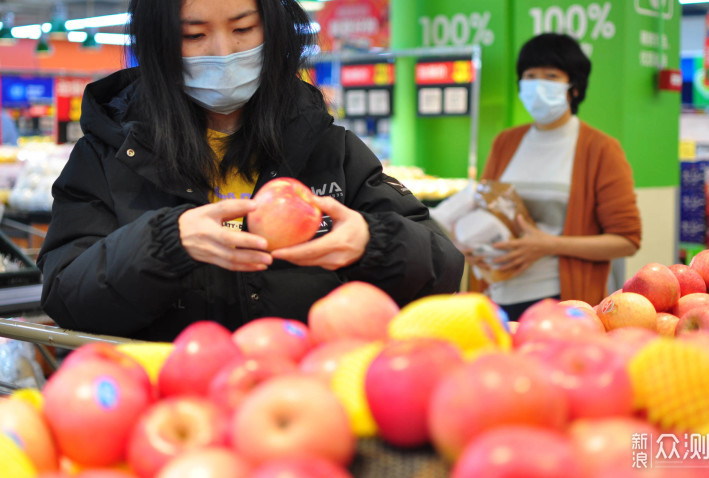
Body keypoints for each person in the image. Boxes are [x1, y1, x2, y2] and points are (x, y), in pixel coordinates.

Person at [36, 0, 465, 341]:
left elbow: (442, 266)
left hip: (309, 401)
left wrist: (373, 244)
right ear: (159, 43)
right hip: (165, 405)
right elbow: (66, 295)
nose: (223, 52)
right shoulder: (107, 157)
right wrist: (165, 243)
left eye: (243, 28)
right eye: (194, 34)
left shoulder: (328, 148)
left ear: (274, 27)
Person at [469, 32, 641, 320]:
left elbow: (626, 239)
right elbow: (484, 209)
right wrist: (470, 246)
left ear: (574, 87)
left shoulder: (600, 149)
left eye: (550, 75)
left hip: (564, 302)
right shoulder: (505, 143)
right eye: (530, 75)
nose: (538, 85)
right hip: (496, 294)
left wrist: (549, 244)